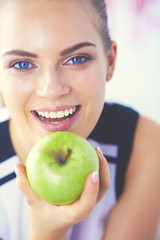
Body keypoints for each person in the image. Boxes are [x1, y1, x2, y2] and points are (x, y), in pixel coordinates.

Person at [0, 0, 160, 239]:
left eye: (76, 59)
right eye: (22, 64)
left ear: (110, 62)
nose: (52, 89)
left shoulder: (146, 146)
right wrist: (48, 232)